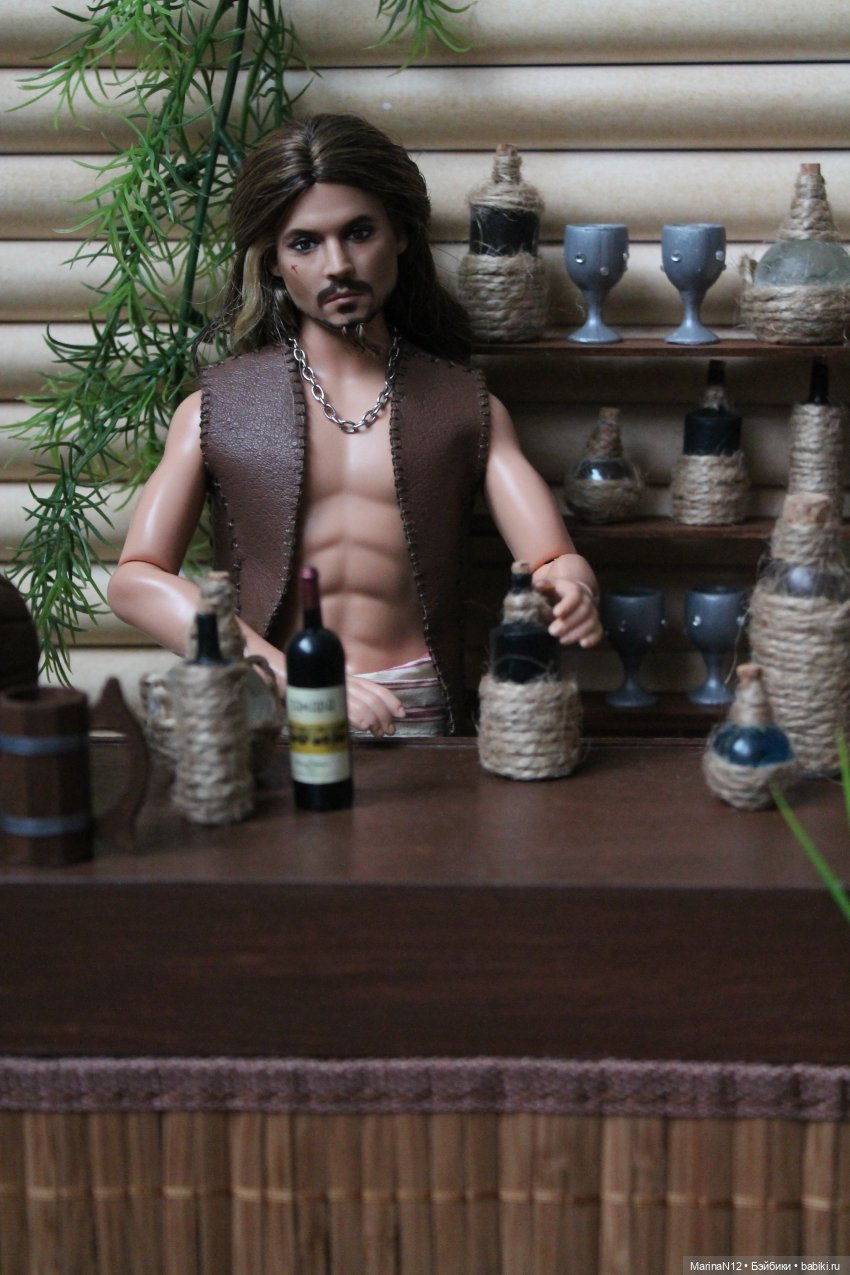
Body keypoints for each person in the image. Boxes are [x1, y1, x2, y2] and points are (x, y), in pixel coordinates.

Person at [108, 113, 601, 737]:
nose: (337, 264)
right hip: (268, 704)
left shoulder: (464, 409)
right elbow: (136, 581)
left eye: (359, 232)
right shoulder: (218, 410)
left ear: (400, 235)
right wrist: (291, 674)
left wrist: (572, 585)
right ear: (273, 261)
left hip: (415, 704)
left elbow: (551, 555)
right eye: (304, 244)